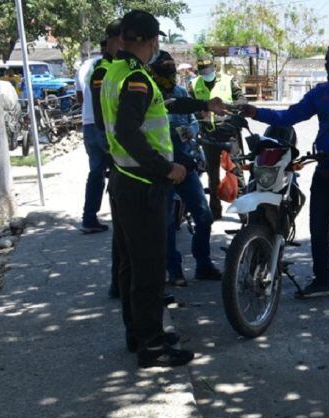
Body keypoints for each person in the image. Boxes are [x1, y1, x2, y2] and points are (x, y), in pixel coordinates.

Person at [100, 10, 226, 368]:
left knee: (129, 267)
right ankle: (152, 347)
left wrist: (203, 105)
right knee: (149, 269)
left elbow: (165, 104)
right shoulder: (136, 79)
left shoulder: (114, 71)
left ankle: (138, 333)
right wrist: (166, 168)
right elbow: (127, 132)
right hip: (144, 184)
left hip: (125, 180)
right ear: (153, 40)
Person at [238, 41, 329, 304]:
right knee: (318, 229)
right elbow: (290, 116)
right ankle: (322, 281)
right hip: (324, 170)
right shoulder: (320, 93)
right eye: (326, 59)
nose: (326, 64)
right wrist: (257, 113)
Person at [151, 51, 223, 286]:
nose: (170, 70)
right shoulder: (151, 94)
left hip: (187, 164)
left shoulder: (181, 92)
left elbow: (192, 118)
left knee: (203, 216)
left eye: (172, 65)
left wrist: (193, 129)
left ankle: (203, 264)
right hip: (164, 168)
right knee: (168, 222)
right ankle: (174, 270)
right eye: (165, 66)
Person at [87, 20, 124, 296]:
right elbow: (103, 119)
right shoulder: (103, 69)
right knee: (123, 224)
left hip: (118, 148)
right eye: (122, 39)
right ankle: (119, 283)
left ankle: (121, 283)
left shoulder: (118, 68)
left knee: (125, 229)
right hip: (113, 146)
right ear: (111, 41)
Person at [189, 57, 244, 221]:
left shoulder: (228, 81)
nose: (207, 75)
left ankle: (244, 211)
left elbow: (242, 100)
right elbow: (189, 106)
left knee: (237, 172)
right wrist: (200, 112)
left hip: (229, 134)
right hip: (208, 135)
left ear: (214, 68)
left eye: (209, 71)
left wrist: (229, 107)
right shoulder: (193, 84)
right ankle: (215, 211)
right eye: (203, 72)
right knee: (212, 176)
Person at [76, 38, 115, 234]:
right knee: (119, 172)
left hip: (88, 124)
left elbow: (79, 97)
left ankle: (89, 218)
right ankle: (123, 217)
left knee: (96, 173)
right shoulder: (110, 68)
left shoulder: (84, 66)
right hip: (104, 125)